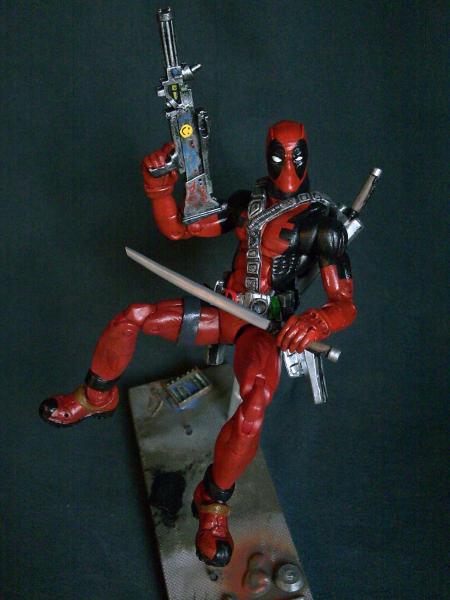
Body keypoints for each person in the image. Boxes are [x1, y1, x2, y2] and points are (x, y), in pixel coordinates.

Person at [40, 120, 356, 567]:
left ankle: (212, 502)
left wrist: (317, 321)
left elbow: (345, 304)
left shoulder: (323, 224)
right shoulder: (249, 203)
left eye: (295, 155)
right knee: (133, 317)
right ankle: (96, 397)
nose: (287, 164)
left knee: (254, 408)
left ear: (307, 154)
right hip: (222, 311)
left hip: (261, 328)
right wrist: (158, 185)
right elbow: (178, 230)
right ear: (266, 154)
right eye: (278, 155)